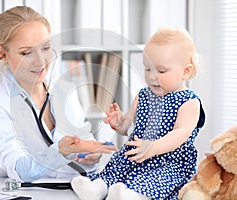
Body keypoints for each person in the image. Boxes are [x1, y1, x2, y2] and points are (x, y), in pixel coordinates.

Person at [0, 6, 116, 182]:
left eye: (45, 48)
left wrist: (89, 157)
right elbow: (19, 169)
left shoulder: (65, 90)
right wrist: (61, 152)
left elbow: (82, 150)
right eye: (26, 52)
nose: (40, 61)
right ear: (2, 53)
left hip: (69, 192)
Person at [71, 27, 206, 200]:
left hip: (168, 161)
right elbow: (127, 124)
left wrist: (153, 147)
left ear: (185, 71)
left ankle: (132, 196)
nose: (151, 77)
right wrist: (119, 122)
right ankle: (97, 189)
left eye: (161, 71)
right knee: (116, 167)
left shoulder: (189, 102)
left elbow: (181, 133)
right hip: (137, 154)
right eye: (147, 69)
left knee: (155, 180)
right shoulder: (143, 96)